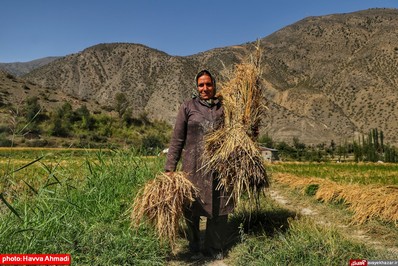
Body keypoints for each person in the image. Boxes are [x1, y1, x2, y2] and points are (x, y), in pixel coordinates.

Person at [164, 69, 234, 259]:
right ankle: (194, 246)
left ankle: (214, 248)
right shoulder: (188, 107)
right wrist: (170, 168)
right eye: (201, 85)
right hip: (193, 166)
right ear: (196, 87)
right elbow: (177, 140)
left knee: (220, 209)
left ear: (214, 85)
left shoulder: (225, 107)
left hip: (220, 166)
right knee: (192, 209)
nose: (205, 88)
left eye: (208, 84)